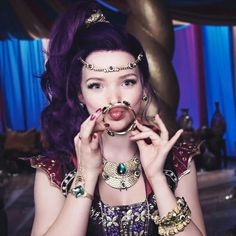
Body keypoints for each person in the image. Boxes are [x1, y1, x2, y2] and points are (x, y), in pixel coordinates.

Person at [30, 1, 206, 235]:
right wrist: (86, 175)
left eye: (128, 82)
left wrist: (158, 179)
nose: (114, 97)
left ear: (144, 88)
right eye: (96, 85)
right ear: (80, 95)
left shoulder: (178, 161)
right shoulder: (54, 171)